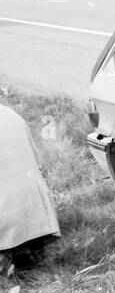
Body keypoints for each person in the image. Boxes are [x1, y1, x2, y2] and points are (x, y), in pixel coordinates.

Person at [0, 104, 60, 277]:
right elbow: (38, 162)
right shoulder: (12, 114)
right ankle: (30, 254)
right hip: (37, 215)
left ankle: (8, 258)